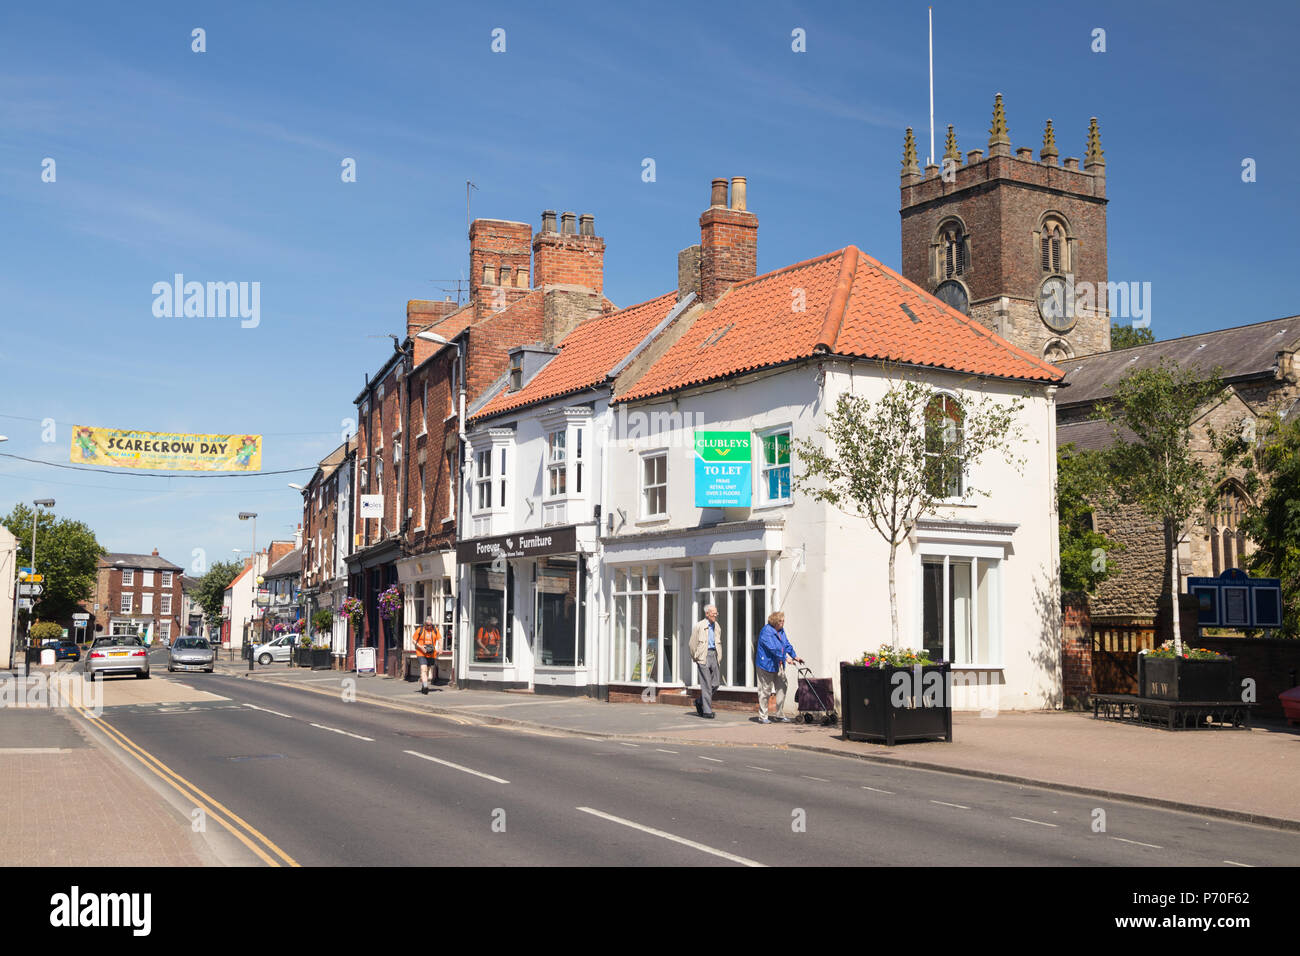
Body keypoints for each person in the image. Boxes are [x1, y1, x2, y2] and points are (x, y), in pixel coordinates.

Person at [755, 611, 801, 723]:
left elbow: (786, 644)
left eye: (783, 620)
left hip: (778, 664)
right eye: (781, 621)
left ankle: (779, 714)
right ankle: (763, 716)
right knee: (765, 690)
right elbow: (773, 648)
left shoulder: (781, 631)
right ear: (775, 621)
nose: (783, 622)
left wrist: (795, 656)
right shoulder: (766, 632)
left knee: (783, 685)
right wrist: (785, 658)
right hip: (766, 664)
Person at [688, 605, 725, 719]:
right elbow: (692, 644)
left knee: (715, 684)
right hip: (703, 656)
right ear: (707, 614)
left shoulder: (717, 626)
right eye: (713, 613)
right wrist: (696, 656)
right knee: (707, 685)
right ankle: (707, 711)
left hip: (714, 655)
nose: (715, 615)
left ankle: (699, 701)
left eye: (716, 613)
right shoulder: (699, 626)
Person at [413, 616, 441, 694]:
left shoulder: (435, 630)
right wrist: (420, 647)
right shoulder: (420, 630)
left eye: (430, 625)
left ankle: (423, 684)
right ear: (425, 623)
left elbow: (440, 639)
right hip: (421, 652)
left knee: (428, 671)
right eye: (427, 625)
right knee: (423, 669)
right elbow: (413, 640)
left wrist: (441, 648)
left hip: (431, 654)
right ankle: (425, 687)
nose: (429, 626)